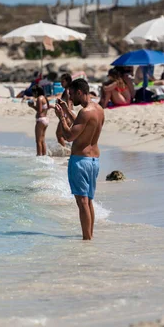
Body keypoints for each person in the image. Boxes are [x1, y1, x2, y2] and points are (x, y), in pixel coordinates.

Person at [55, 79, 105, 240]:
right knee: (88, 201)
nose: (70, 99)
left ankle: (86, 239)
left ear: (79, 92)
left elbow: (69, 136)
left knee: (82, 202)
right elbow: (82, 123)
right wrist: (67, 111)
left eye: (71, 95)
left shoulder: (85, 112)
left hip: (80, 160)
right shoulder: (98, 109)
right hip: (93, 161)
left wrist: (61, 117)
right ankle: (89, 237)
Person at [28, 85, 50, 156]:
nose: (33, 94)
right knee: (42, 140)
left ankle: (39, 156)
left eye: (33, 93)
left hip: (41, 120)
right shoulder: (44, 98)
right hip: (45, 119)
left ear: (37, 92)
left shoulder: (39, 99)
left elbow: (39, 111)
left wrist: (32, 106)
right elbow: (47, 107)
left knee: (38, 141)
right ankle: (44, 155)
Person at [56, 74, 73, 147]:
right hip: (67, 115)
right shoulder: (68, 90)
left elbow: (68, 105)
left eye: (63, 81)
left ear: (67, 81)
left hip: (66, 116)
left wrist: (66, 117)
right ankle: (68, 149)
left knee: (59, 134)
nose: (61, 83)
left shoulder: (67, 91)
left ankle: (65, 151)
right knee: (65, 135)